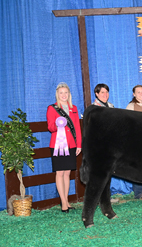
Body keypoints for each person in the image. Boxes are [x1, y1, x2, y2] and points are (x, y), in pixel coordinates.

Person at [46, 82, 82, 212]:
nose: (64, 95)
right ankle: (63, 203)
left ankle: (67, 201)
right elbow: (50, 127)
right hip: (58, 145)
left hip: (71, 145)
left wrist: (79, 144)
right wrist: (58, 125)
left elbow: (77, 127)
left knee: (67, 173)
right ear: (57, 94)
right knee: (60, 172)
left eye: (66, 92)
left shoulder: (74, 108)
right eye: (61, 93)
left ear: (69, 94)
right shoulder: (52, 108)